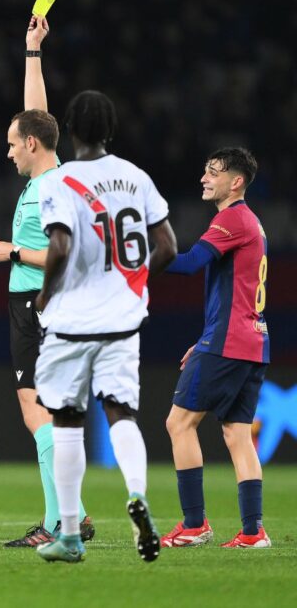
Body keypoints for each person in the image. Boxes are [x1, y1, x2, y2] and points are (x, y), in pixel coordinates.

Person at [30, 82, 178, 562]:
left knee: (67, 421)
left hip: (72, 319)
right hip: (122, 319)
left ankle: (70, 535)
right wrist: (131, 283)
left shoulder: (59, 180)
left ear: (70, 129)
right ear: (111, 129)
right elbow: (168, 247)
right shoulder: (136, 177)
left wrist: (45, 294)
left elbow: (61, 246)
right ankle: (137, 493)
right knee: (122, 415)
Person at [0, 15, 92, 547]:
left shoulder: (53, 186)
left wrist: (13, 252)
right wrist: (32, 50)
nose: (8, 151)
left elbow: (62, 251)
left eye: (13, 144)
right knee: (42, 409)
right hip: (30, 302)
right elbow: (41, 116)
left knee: (36, 410)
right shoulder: (51, 173)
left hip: (37, 300)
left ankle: (59, 521)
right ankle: (72, 511)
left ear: (30, 145)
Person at [159, 148, 271, 549]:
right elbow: (236, 294)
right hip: (251, 341)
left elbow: (189, 264)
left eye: (214, 172)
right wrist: (203, 339)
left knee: (179, 423)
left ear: (235, 182)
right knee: (237, 433)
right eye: (205, 170)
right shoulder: (252, 223)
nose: (204, 178)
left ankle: (194, 524)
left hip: (227, 342)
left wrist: (134, 257)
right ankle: (253, 531)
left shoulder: (232, 218)